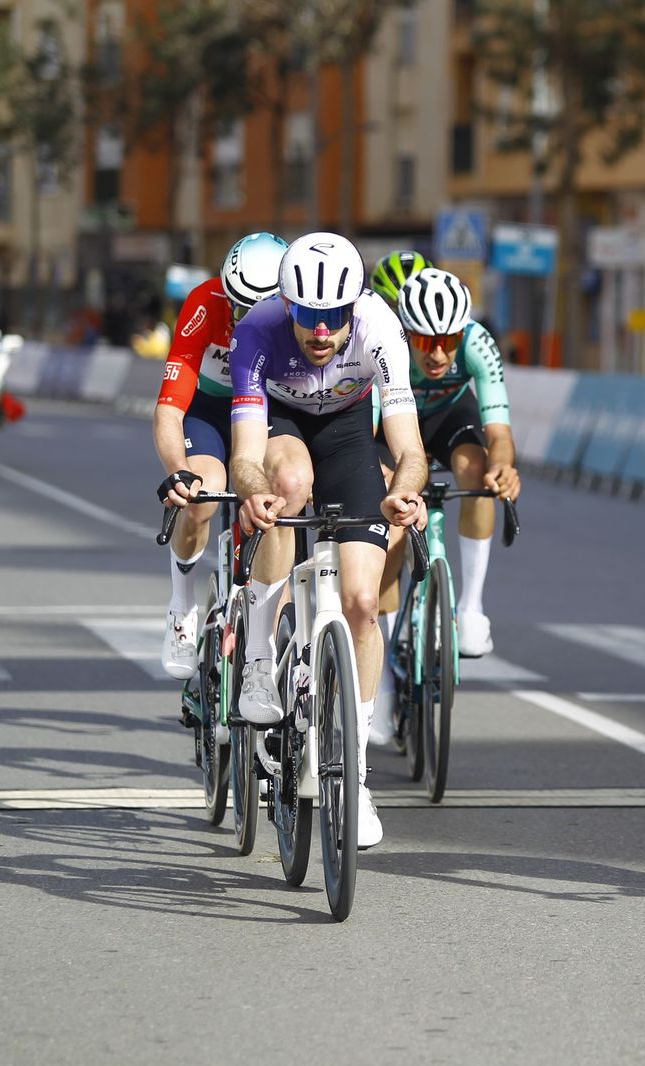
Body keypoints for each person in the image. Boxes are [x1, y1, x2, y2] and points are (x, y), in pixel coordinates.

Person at [228, 231, 430, 850]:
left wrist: (407, 491)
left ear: (354, 306)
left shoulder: (378, 328)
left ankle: (358, 780)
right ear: (288, 306)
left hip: (346, 431)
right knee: (287, 481)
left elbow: (410, 449)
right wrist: (255, 490)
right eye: (309, 319)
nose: (321, 333)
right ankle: (260, 663)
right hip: (284, 428)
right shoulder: (257, 332)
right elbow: (244, 454)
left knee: (364, 604)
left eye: (333, 319)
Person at [367, 259, 521, 690]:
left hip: (450, 415)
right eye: (425, 341)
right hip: (397, 418)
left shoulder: (479, 342)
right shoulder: (386, 344)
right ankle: (382, 649)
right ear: (406, 331)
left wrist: (503, 466)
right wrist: (382, 474)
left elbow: (499, 430)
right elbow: (368, 432)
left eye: (449, 340)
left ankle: (471, 608)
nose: (437, 354)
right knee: (393, 518)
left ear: (463, 332)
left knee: (478, 468)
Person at [154, 232, 289, 680]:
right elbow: (170, 408)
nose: (245, 319)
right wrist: (178, 473)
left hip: (264, 413)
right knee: (203, 496)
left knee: (281, 499)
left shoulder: (297, 317)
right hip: (211, 412)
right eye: (238, 307)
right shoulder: (204, 302)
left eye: (259, 310)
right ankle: (182, 607)